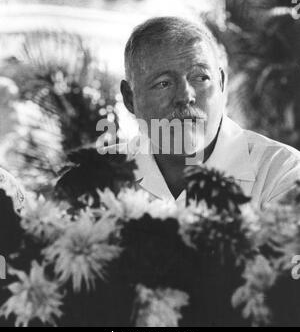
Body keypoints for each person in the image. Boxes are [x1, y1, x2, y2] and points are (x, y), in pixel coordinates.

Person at [115, 16, 300, 210]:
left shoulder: (282, 172)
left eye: (201, 77)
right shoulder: (97, 175)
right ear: (129, 98)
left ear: (221, 83)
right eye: (163, 83)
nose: (185, 96)